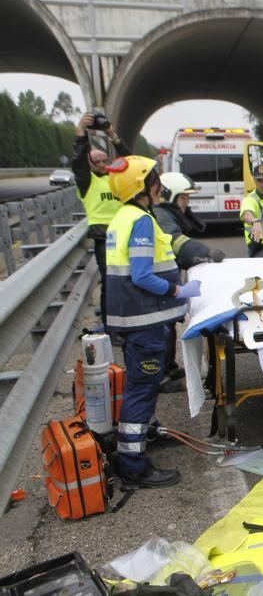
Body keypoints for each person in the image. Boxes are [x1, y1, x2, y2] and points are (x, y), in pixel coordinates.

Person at [104, 155, 201, 488]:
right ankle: (133, 464)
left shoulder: (122, 217)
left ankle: (145, 435)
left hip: (134, 321)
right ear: (143, 187)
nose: (159, 186)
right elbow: (143, 274)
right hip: (144, 321)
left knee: (141, 385)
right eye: (154, 181)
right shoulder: (141, 221)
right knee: (141, 389)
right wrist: (178, 289)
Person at [152, 172, 225, 393]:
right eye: (183, 198)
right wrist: (205, 252)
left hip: (163, 277)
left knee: (169, 324)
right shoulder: (162, 216)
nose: (187, 203)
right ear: (169, 196)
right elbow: (176, 242)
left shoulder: (167, 213)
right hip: (158, 282)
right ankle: (162, 375)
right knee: (163, 328)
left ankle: (169, 367)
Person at [72, 113, 127, 329]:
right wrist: (81, 133)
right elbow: (78, 162)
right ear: (90, 164)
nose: (103, 164)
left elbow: (130, 159)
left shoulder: (117, 179)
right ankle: (111, 326)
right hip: (104, 239)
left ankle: (127, 321)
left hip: (125, 235)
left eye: (106, 160)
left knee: (129, 283)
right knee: (111, 284)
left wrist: (112, 134)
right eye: (97, 162)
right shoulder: (88, 182)